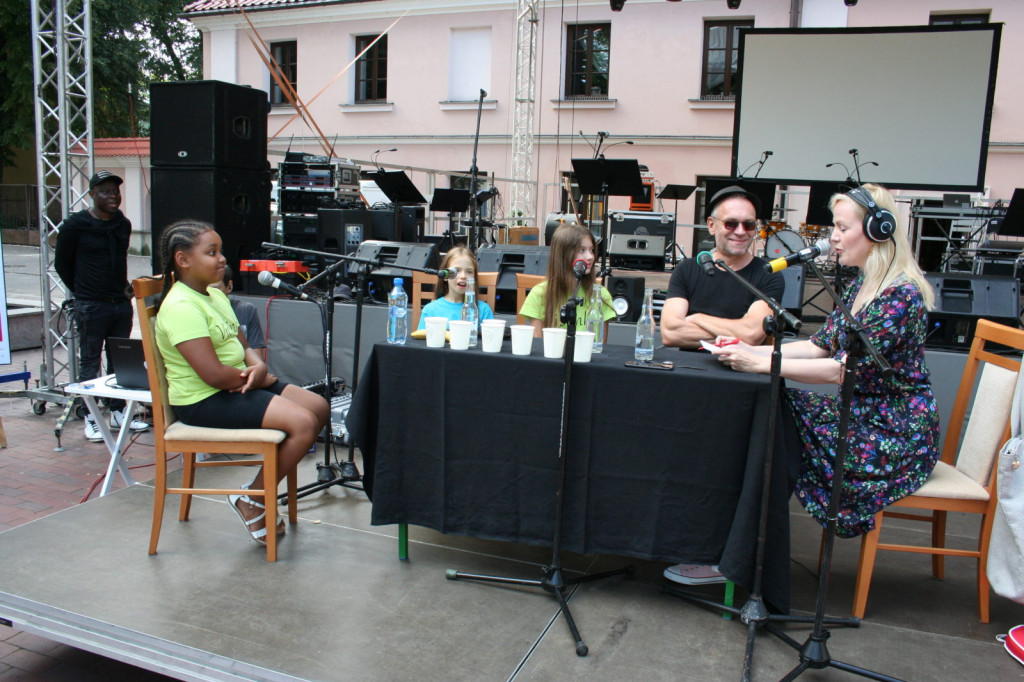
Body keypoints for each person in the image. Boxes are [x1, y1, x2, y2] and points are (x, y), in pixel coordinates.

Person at [702, 184, 940, 578]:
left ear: (878, 231)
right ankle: (743, 549)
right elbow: (817, 348)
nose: (832, 237)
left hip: (894, 433)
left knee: (775, 413)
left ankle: (743, 553)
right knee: (774, 409)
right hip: (863, 413)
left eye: (841, 228)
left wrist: (760, 363)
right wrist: (746, 349)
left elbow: (840, 370)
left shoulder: (902, 296)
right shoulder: (863, 286)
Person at [155, 220, 330, 546]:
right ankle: (253, 499)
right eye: (212, 252)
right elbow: (212, 375)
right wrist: (258, 376)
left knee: (318, 406)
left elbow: (244, 347)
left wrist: (259, 369)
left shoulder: (214, 295)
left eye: (221, 251)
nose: (222, 259)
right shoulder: (180, 306)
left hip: (241, 383)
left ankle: (255, 496)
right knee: (303, 424)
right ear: (183, 260)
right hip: (203, 400)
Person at [55, 170, 149, 441]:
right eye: (105, 191)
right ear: (92, 193)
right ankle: (90, 417)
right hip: (91, 304)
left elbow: (119, 260)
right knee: (90, 361)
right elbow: (63, 263)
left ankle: (118, 411)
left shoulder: (122, 224)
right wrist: (83, 290)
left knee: (119, 359)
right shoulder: (75, 225)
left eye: (116, 191)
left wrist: (124, 289)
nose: (113, 196)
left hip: (119, 303)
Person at [660, 185, 785, 350]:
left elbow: (752, 335)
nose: (741, 232)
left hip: (739, 371)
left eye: (749, 224)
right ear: (712, 225)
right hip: (687, 368)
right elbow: (670, 333)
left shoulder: (769, 274)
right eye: (731, 224)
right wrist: (736, 335)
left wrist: (697, 318)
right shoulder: (687, 269)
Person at [519, 224, 615, 337]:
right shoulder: (539, 294)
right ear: (563, 255)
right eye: (582, 250)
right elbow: (537, 344)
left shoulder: (601, 295)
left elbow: (599, 348)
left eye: (592, 250)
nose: (590, 257)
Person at [415, 246, 495, 329]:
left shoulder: (483, 310)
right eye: (456, 270)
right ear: (445, 275)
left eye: (469, 271)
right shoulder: (430, 310)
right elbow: (421, 340)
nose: (463, 276)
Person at [209, 264, 267, 354]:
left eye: (215, 289)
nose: (209, 293)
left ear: (229, 286)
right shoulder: (194, 312)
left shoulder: (246, 310)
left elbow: (256, 358)